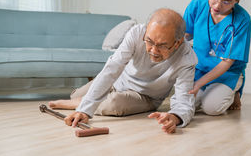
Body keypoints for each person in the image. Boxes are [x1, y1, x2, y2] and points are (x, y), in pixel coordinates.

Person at [49, 8, 198, 134]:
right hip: (119, 81)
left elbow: (184, 101)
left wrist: (175, 117)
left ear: (177, 43)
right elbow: (112, 68)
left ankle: (79, 103)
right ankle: (79, 100)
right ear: (146, 32)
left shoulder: (187, 57)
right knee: (75, 94)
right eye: (149, 41)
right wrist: (85, 108)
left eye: (162, 45)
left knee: (114, 104)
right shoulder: (136, 33)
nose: (153, 50)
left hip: (145, 96)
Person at [183, 0, 251, 115]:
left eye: (226, 2)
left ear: (237, 1)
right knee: (186, 103)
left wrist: (198, 85)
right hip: (199, 69)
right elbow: (185, 36)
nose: (217, 6)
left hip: (227, 72)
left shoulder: (242, 20)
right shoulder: (197, 5)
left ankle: (235, 91)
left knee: (211, 109)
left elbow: (227, 62)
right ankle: (205, 91)